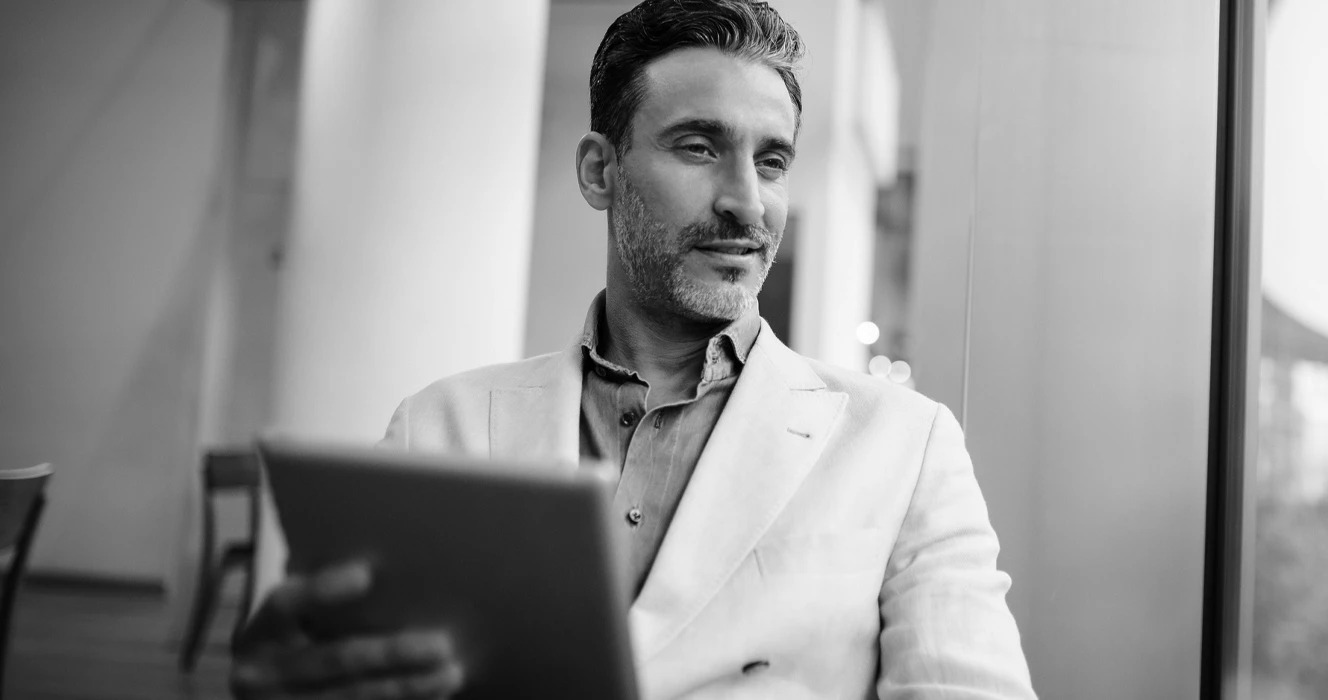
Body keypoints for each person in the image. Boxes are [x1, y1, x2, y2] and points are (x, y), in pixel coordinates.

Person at [231, 1, 1037, 698]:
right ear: (599, 171)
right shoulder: (439, 425)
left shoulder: (905, 443)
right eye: (698, 146)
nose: (745, 203)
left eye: (773, 160)